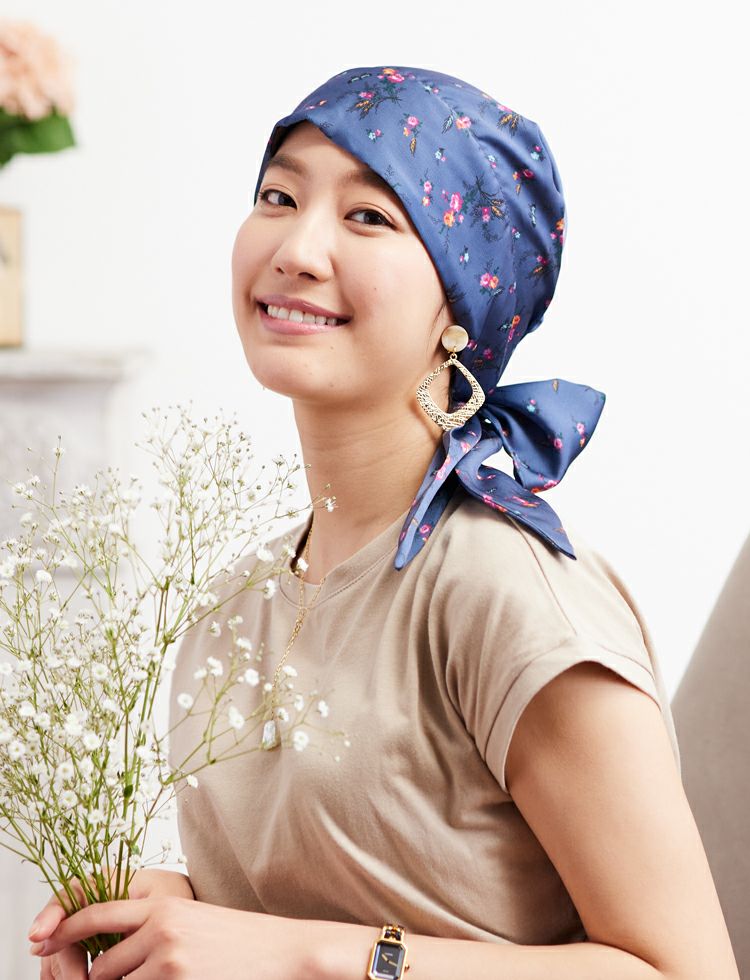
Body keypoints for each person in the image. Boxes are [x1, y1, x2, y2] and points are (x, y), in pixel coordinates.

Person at [28, 64, 739, 980]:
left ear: (463, 306)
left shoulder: (507, 594)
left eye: (369, 216)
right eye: (278, 197)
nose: (298, 248)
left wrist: (306, 956)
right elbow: (345, 901)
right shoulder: (231, 600)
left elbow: (683, 972)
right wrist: (181, 915)